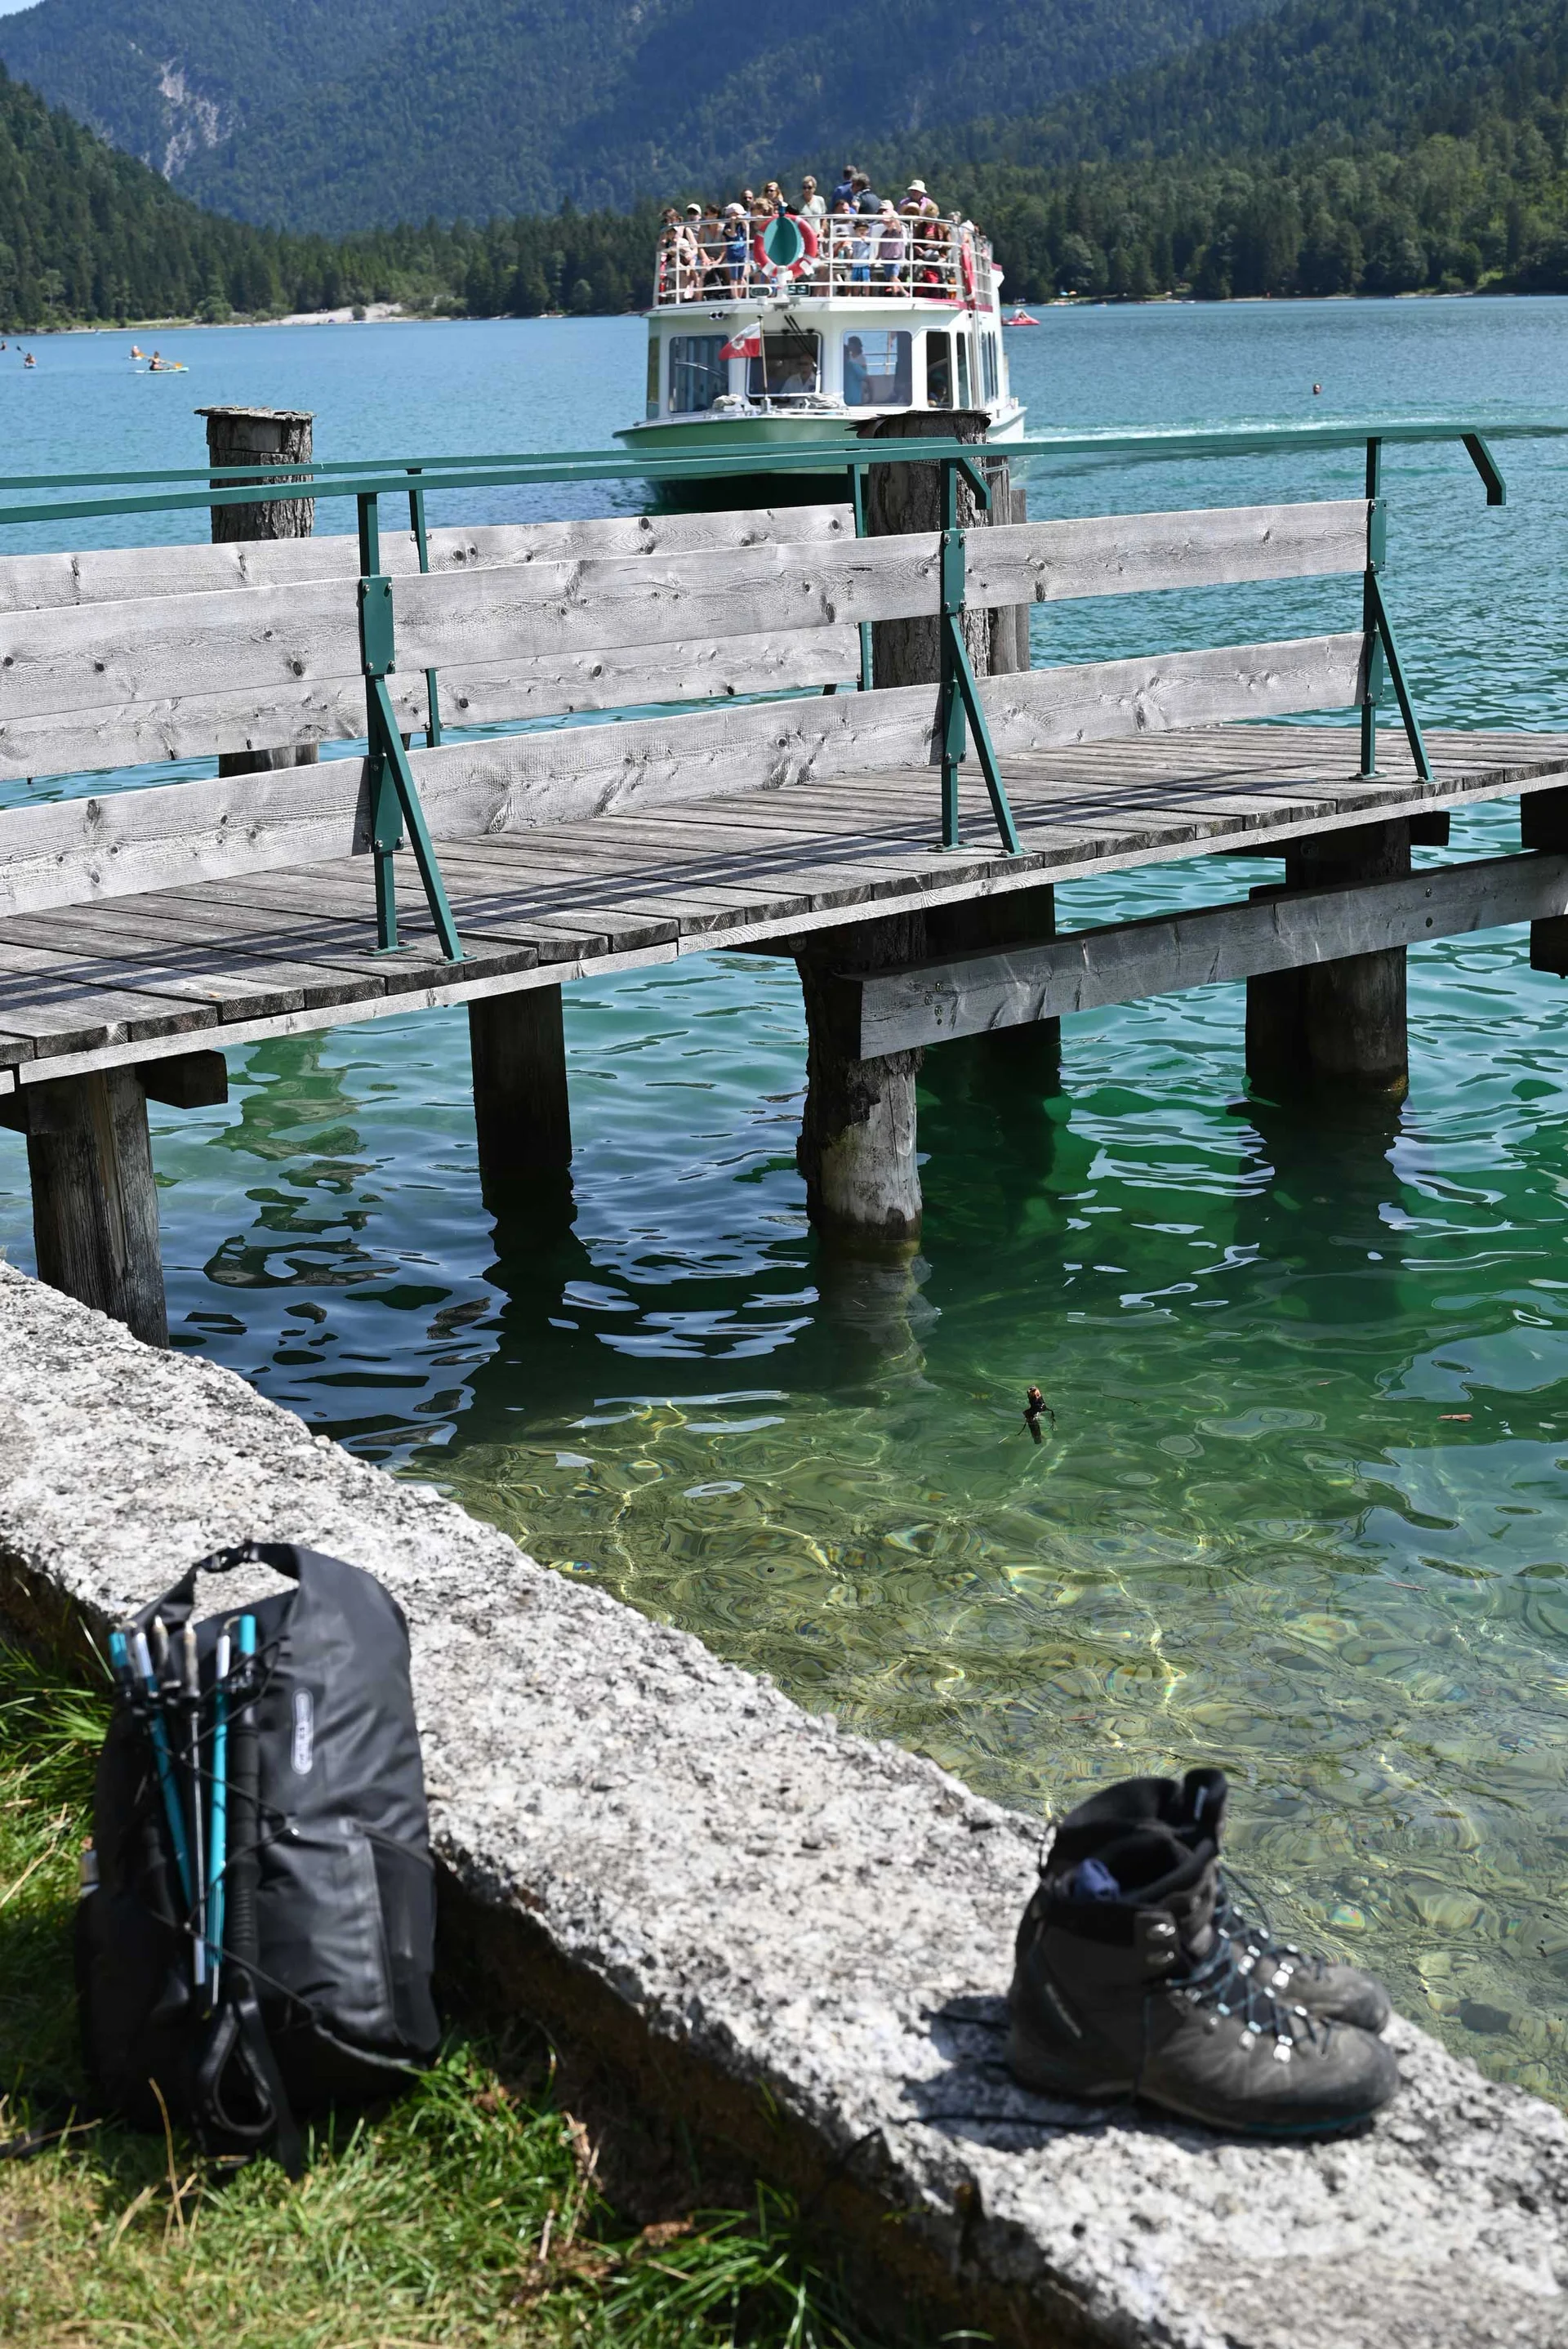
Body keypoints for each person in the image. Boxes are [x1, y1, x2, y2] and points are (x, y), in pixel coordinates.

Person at [875, 201, 908, 289]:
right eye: (886, 222)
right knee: (890, 279)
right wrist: (877, 258)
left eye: (890, 222)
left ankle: (904, 292)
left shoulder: (898, 232)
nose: (888, 223)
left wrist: (894, 218)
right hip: (886, 259)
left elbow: (899, 227)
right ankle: (895, 294)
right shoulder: (884, 234)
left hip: (895, 258)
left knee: (893, 277)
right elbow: (880, 247)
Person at [723, 203, 751, 294]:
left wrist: (742, 220)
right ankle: (735, 296)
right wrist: (732, 223)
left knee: (740, 277)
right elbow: (733, 234)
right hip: (732, 255)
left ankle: (740, 295)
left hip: (741, 253)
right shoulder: (726, 227)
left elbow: (747, 229)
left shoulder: (741, 225)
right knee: (734, 277)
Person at [842, 334, 868, 404]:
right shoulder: (849, 356)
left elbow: (864, 371)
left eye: (850, 343)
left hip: (859, 379)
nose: (848, 345)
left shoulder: (861, 358)